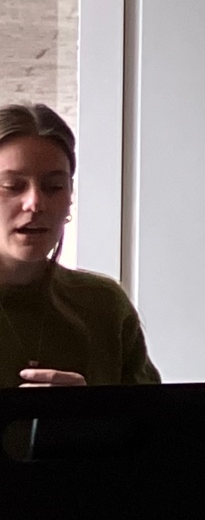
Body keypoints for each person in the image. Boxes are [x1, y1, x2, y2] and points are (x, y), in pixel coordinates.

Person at [0, 102, 158, 387]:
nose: (35, 203)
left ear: (70, 196)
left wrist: (86, 410)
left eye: (54, 187)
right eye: (13, 186)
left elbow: (155, 415)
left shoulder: (103, 307)